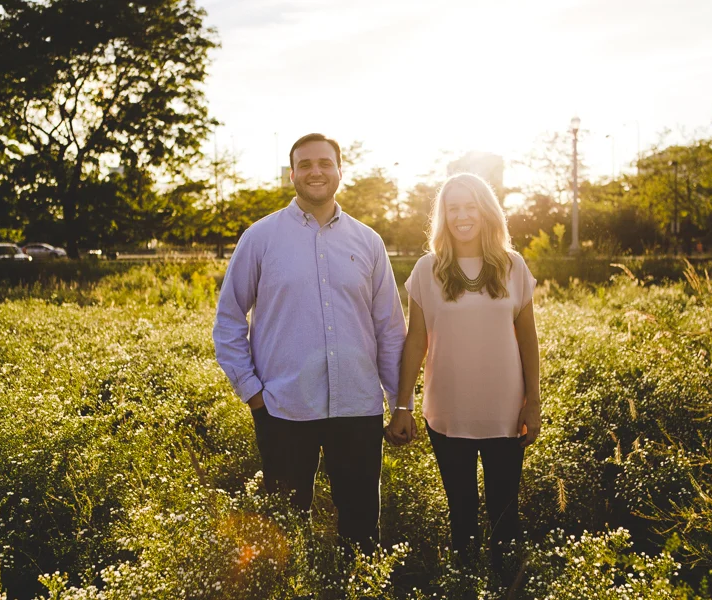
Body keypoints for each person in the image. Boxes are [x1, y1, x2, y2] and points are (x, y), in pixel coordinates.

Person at [213, 133, 408, 554]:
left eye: (325, 163)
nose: (315, 171)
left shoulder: (368, 242)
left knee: (360, 530)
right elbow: (228, 319)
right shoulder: (260, 238)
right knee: (283, 532)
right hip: (283, 409)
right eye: (305, 165)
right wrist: (252, 393)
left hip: (358, 408)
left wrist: (400, 402)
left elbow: (390, 328)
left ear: (340, 171)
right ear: (292, 175)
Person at [386, 172, 541, 576]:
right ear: (443, 216)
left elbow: (528, 340)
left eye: (470, 206)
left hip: (505, 414)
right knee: (462, 516)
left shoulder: (513, 266)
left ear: (486, 211)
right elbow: (416, 341)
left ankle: (507, 583)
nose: (462, 215)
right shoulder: (427, 269)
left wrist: (534, 403)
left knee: (506, 515)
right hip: (447, 414)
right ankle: (466, 584)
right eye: (453, 208)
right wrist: (403, 404)